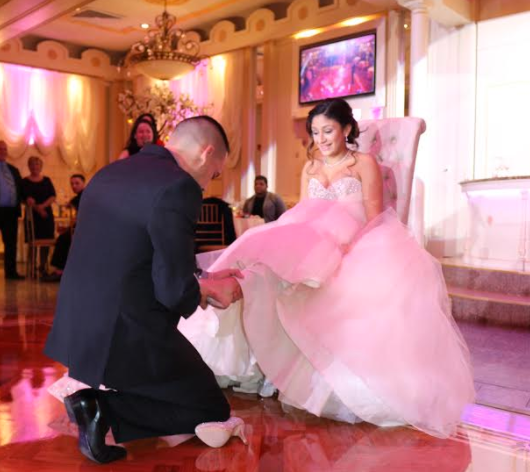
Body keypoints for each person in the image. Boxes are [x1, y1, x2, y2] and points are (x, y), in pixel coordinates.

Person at [180, 98, 475, 439]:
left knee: (305, 273)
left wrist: (352, 247)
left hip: (352, 235)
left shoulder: (363, 163)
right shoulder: (311, 168)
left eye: (328, 130)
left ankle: (288, 341)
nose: (321, 138)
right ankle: (235, 302)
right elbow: (303, 212)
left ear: (347, 129)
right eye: (316, 132)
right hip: (309, 233)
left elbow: (375, 214)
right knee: (257, 251)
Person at [44, 116, 245, 464]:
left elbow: (137, 249)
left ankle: (98, 403)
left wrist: (203, 275)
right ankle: (101, 408)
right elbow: (172, 292)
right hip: (125, 327)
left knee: (176, 387)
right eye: (215, 173)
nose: (209, 184)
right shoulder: (178, 186)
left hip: (77, 323)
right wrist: (212, 291)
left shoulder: (111, 172)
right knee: (212, 407)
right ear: (206, 152)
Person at [42, 174, 86, 282]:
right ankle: (60, 270)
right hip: (81, 228)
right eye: (72, 184)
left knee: (63, 239)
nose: (74, 186)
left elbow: (82, 218)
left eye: (77, 183)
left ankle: (60, 271)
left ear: (83, 183)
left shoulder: (82, 197)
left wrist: (68, 228)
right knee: (63, 237)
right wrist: (67, 228)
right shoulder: (80, 197)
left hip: (86, 230)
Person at [21, 156, 56, 276]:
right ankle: (32, 267)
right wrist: (37, 208)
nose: (35, 167)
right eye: (32, 164)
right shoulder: (24, 181)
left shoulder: (47, 180)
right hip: (32, 217)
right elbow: (23, 199)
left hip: (46, 216)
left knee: (46, 242)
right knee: (33, 242)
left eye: (37, 164)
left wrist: (42, 207)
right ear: (29, 166)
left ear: (41, 166)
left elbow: (52, 196)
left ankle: (42, 267)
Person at [0, 140, 24, 280]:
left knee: (11, 243)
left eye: (4, 149)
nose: (2, 151)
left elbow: (21, 189)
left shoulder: (13, 170)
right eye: (0, 149)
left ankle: (11, 272)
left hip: (10, 212)